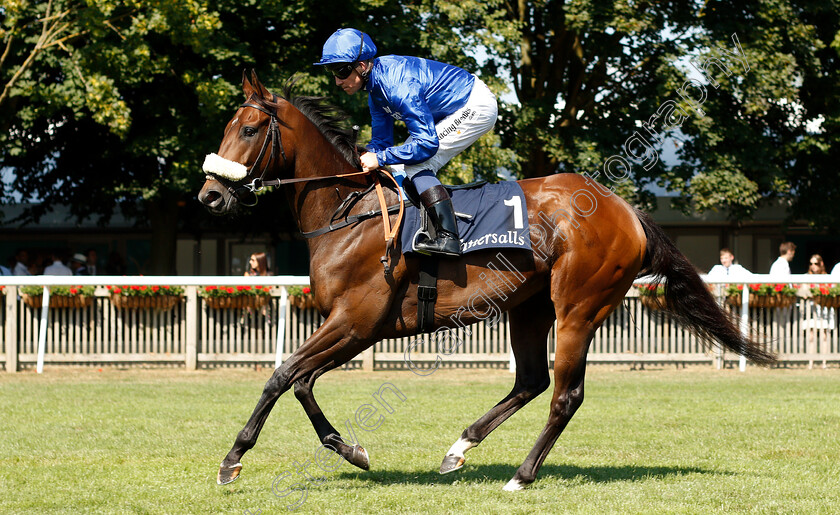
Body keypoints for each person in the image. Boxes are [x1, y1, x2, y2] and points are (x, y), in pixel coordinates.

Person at [314, 28, 498, 257]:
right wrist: (361, 156)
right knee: (399, 164)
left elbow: (426, 145)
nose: (337, 81)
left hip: (475, 105)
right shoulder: (376, 92)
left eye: (341, 71)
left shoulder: (397, 85)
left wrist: (379, 158)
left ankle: (449, 238)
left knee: (417, 163)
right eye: (332, 72)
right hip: (451, 110)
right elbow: (381, 142)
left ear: (362, 66)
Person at [804, 254, 834, 369]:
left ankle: (824, 362)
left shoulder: (827, 277)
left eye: (815, 264)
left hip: (824, 310)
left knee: (824, 336)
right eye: (811, 264)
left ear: (821, 264)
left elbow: (829, 291)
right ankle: (811, 362)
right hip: (811, 310)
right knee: (811, 336)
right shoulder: (807, 277)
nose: (813, 266)